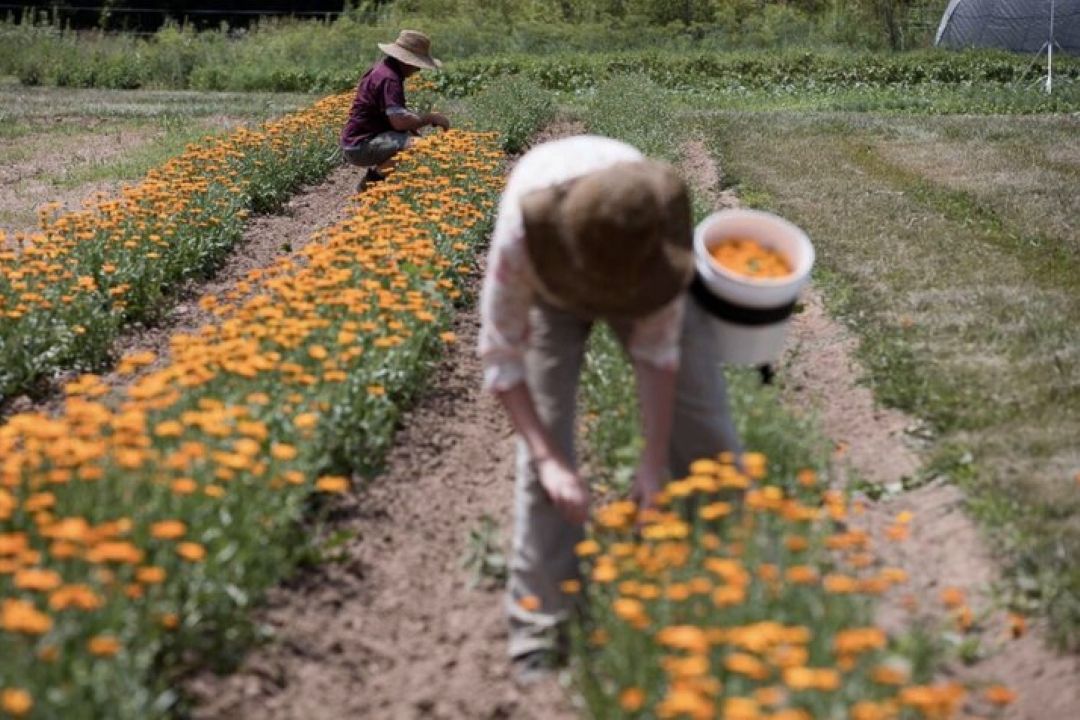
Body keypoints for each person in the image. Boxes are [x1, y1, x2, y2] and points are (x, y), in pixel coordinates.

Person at [478, 135, 742, 681]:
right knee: (544, 460)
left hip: (636, 272)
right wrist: (551, 460)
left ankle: (724, 591)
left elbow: (658, 356)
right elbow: (501, 361)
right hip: (551, 286)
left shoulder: (653, 247)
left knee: (706, 433)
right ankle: (542, 629)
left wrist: (653, 464)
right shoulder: (524, 241)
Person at [339, 29, 451, 191]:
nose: (418, 70)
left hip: (357, 140)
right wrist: (430, 118)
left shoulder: (383, 69)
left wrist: (414, 128)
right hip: (360, 145)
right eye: (417, 65)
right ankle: (370, 185)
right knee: (420, 146)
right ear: (407, 61)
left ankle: (390, 184)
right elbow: (399, 122)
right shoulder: (390, 79)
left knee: (413, 139)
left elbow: (396, 118)